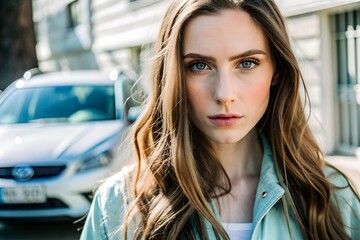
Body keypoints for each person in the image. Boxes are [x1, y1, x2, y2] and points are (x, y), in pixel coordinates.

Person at [80, 0, 360, 239]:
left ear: (276, 71)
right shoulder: (119, 205)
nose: (224, 94)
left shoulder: (331, 195)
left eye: (247, 63)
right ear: (173, 77)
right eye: (199, 66)